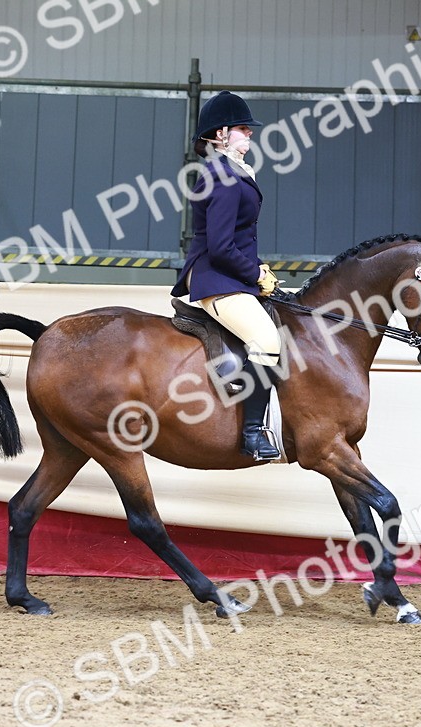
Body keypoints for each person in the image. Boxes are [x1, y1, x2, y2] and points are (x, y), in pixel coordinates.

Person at [172, 91, 282, 462]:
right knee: (267, 341)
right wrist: (254, 274)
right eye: (242, 129)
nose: (249, 134)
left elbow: (236, 237)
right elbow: (220, 247)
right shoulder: (222, 176)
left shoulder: (231, 172)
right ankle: (252, 433)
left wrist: (259, 271)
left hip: (229, 273)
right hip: (214, 276)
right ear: (221, 133)